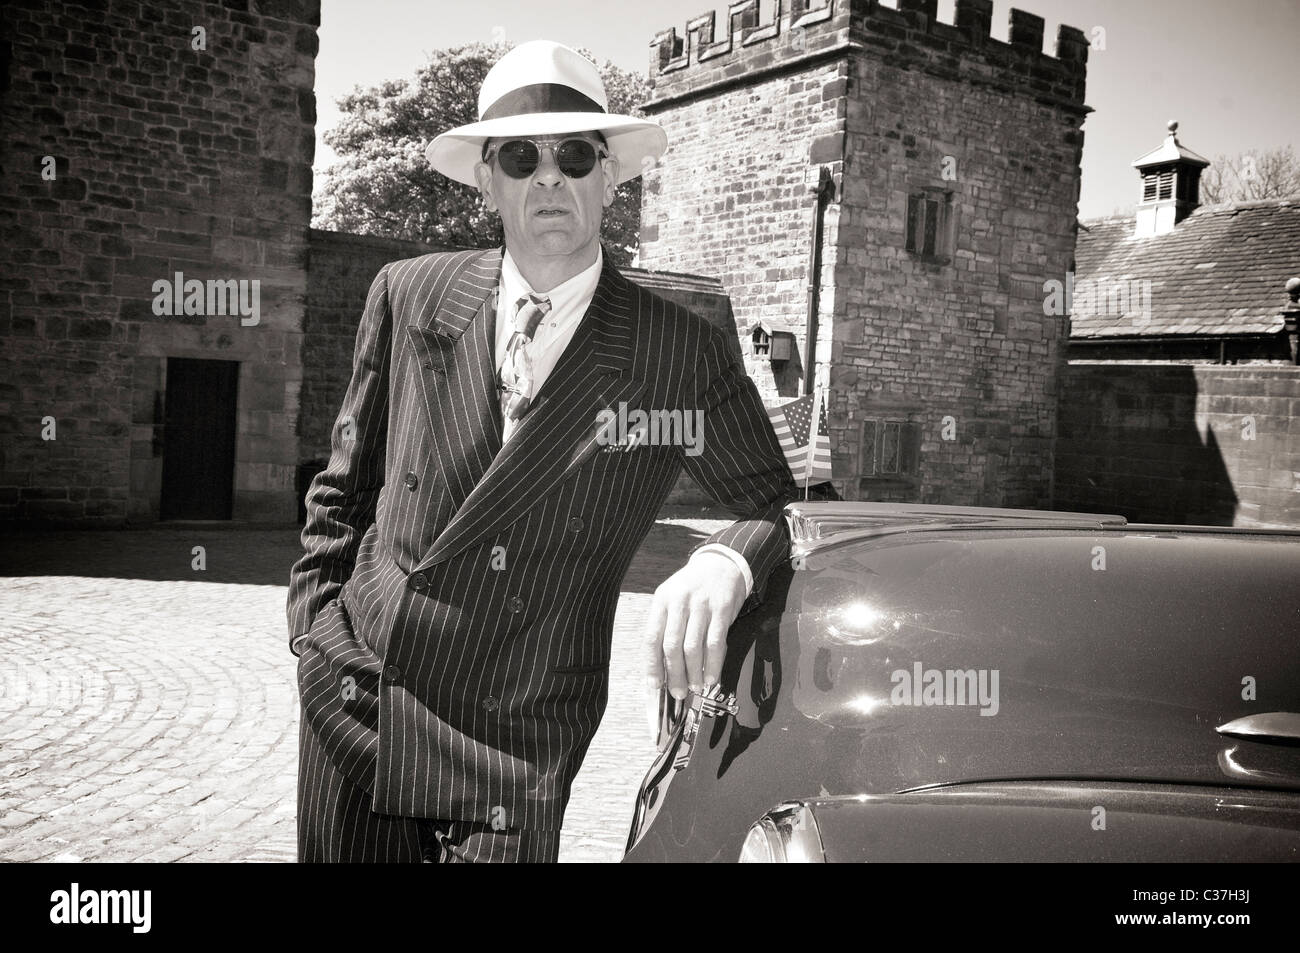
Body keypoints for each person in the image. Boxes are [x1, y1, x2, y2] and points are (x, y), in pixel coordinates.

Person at [288, 40, 797, 862]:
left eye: (574, 155)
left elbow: (777, 499)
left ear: (610, 176)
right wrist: (312, 632)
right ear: (488, 178)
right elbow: (342, 487)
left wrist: (723, 562)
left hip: (512, 747)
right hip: (357, 696)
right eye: (520, 156)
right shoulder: (408, 292)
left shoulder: (679, 349)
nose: (548, 177)